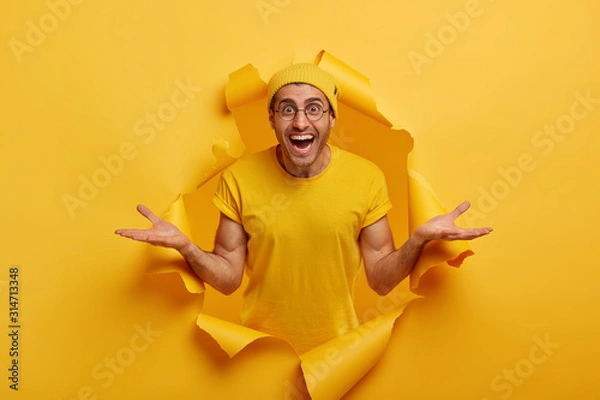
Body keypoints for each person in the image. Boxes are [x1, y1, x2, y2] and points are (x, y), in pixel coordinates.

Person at [115, 63, 492, 354]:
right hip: (258, 353)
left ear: (331, 118)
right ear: (272, 120)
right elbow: (228, 279)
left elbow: (380, 279)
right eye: (287, 110)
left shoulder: (366, 178)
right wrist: (186, 248)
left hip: (337, 355)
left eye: (314, 109)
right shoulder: (239, 178)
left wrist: (419, 240)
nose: (300, 122)